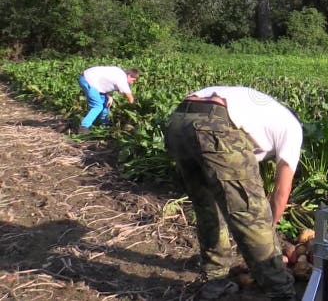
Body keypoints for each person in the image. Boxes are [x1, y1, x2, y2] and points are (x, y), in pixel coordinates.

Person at [164, 86, 300, 301]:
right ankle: (280, 291)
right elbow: (282, 190)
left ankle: (215, 281)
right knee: (251, 214)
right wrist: (269, 227)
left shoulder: (265, 115)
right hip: (215, 125)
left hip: (179, 121)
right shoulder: (293, 129)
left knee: (208, 206)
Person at [77, 66, 139, 133]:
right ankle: (83, 128)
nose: (133, 83)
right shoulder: (122, 79)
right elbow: (130, 98)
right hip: (88, 80)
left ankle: (104, 124)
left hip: (93, 81)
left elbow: (107, 82)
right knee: (97, 106)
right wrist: (135, 110)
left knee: (106, 103)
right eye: (133, 80)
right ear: (129, 76)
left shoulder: (119, 73)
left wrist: (109, 96)